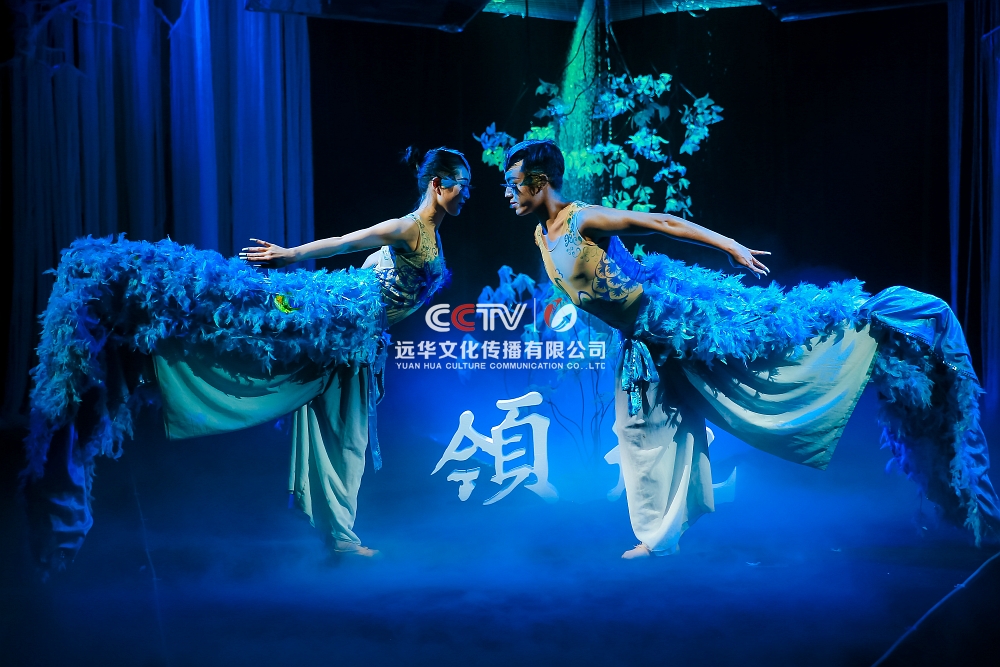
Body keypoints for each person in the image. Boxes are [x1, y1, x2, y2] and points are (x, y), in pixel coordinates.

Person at [501, 139, 999, 559]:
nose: (508, 192)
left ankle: (884, 327)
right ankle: (659, 537)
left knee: (781, 348)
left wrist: (729, 245)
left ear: (540, 182)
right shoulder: (542, 236)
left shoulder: (582, 219)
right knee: (638, 433)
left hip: (679, 320)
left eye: (514, 183)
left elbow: (662, 222)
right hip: (642, 341)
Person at [25, 147, 470, 571]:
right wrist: (291, 254)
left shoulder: (434, 235)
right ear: (437, 184)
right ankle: (125, 281)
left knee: (345, 436)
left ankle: (339, 538)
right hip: (338, 317)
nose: (466, 193)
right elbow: (345, 242)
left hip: (358, 338)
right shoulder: (407, 227)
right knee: (240, 309)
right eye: (461, 184)